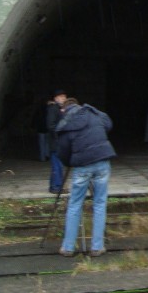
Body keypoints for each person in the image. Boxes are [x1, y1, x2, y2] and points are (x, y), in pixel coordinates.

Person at [56, 97, 116, 257]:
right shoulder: (94, 115)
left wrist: (70, 162)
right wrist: (91, 107)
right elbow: (108, 124)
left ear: (64, 110)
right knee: (100, 203)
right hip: (102, 161)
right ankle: (97, 247)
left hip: (82, 166)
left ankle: (68, 247)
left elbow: (62, 151)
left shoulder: (66, 124)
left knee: (75, 204)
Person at [46, 89, 67, 193]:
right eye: (61, 96)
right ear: (56, 98)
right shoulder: (53, 109)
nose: (64, 98)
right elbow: (51, 125)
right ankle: (56, 187)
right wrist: (59, 134)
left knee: (58, 165)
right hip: (56, 142)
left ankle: (56, 186)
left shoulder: (59, 108)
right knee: (57, 165)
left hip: (59, 142)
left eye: (64, 96)